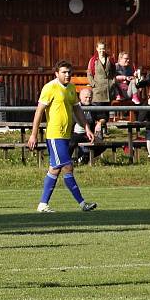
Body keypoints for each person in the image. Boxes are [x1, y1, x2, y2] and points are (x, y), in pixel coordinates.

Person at [28, 61, 98, 213]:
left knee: (55, 169)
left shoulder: (72, 88)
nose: (67, 75)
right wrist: (33, 135)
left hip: (66, 135)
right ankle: (82, 204)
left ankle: (43, 204)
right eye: (64, 72)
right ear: (56, 73)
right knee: (67, 166)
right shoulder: (50, 87)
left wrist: (86, 127)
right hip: (55, 135)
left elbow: (77, 110)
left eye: (69, 72)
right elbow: (39, 111)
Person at [69, 87, 106, 164]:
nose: (88, 99)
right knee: (71, 143)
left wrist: (100, 123)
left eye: (90, 97)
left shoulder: (94, 107)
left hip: (89, 134)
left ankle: (85, 158)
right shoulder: (75, 107)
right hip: (76, 133)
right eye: (86, 97)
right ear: (80, 97)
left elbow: (103, 118)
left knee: (102, 145)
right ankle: (66, 161)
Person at [86, 41, 114, 134]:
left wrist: (112, 82)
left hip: (108, 90)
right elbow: (89, 73)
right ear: (97, 49)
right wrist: (93, 84)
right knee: (98, 113)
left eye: (103, 48)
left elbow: (114, 71)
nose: (102, 50)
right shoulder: (93, 60)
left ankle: (102, 129)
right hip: (97, 91)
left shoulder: (110, 59)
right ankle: (97, 131)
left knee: (106, 113)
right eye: (100, 48)